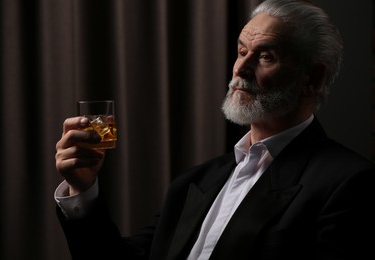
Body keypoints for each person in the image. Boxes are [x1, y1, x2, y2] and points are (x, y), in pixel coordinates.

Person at [54, 0, 375, 259]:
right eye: (241, 51)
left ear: (313, 79)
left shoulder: (350, 183)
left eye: (265, 56)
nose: (240, 68)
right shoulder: (194, 181)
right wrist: (83, 189)